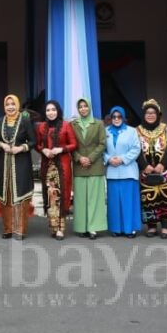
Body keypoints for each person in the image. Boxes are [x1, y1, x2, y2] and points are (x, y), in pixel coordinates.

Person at [135, 98, 167, 238]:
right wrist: (145, 166)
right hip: (146, 172)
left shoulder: (166, 129)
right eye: (147, 113)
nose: (150, 115)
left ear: (158, 114)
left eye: (153, 112)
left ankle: (166, 228)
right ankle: (151, 227)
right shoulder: (137, 131)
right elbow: (134, 150)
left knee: (166, 200)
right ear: (144, 115)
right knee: (149, 200)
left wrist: (163, 164)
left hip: (166, 171)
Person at [0, 94, 35, 240]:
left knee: (20, 197)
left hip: (21, 163)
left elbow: (33, 141)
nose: (10, 107)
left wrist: (21, 148)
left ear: (17, 105)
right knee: (7, 197)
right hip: (3, 164)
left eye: (13, 104)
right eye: (7, 104)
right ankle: (8, 229)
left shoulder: (25, 120)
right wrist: (1, 144)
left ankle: (20, 230)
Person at [36, 99, 76, 240]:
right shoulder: (41, 127)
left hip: (62, 165)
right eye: (48, 110)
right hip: (47, 165)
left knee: (62, 195)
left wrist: (61, 149)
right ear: (45, 112)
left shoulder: (66, 125)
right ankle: (53, 226)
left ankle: (60, 228)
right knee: (50, 195)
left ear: (58, 111)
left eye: (53, 109)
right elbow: (38, 144)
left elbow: (73, 144)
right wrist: (44, 150)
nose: (51, 112)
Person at [72, 97, 108, 239]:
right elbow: (70, 144)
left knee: (95, 198)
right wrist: (79, 158)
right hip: (79, 165)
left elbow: (102, 143)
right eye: (80, 106)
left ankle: (93, 228)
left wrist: (90, 158)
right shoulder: (73, 124)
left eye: (85, 106)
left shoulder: (98, 123)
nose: (83, 109)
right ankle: (82, 227)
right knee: (80, 199)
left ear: (90, 107)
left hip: (94, 165)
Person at [103, 106, 141, 238]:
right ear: (111, 118)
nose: (116, 119)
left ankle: (130, 229)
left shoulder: (132, 131)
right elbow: (101, 149)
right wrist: (108, 159)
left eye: (119, 117)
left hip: (128, 171)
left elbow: (136, 149)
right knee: (114, 202)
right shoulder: (105, 131)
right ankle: (116, 228)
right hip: (112, 172)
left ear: (123, 118)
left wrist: (122, 159)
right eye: (114, 117)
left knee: (128, 201)